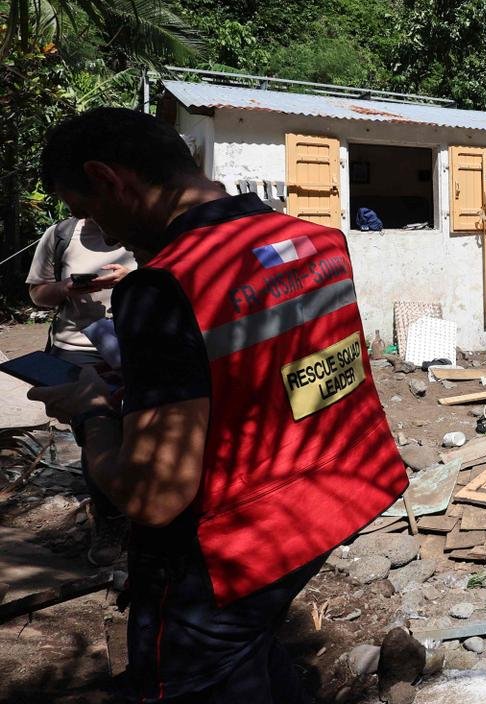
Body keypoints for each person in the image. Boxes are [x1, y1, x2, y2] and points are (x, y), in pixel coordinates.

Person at [27, 107, 408, 703]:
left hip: (232, 549)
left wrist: (94, 409)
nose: (104, 232)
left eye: (90, 211)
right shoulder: (316, 242)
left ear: (110, 179)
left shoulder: (165, 286)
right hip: (335, 502)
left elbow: (153, 496)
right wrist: (154, 387)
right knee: (249, 653)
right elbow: (279, 375)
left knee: (191, 682)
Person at [27, 215, 135, 564]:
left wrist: (131, 278)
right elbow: (37, 293)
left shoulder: (142, 227)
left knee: (140, 425)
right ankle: (110, 519)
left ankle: (144, 510)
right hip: (76, 351)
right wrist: (66, 289)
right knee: (95, 432)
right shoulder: (59, 235)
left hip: (134, 347)